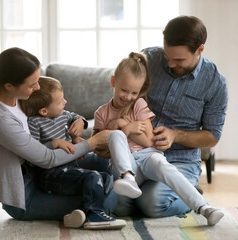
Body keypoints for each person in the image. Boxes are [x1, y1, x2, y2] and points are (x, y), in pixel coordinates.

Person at [0, 47, 124, 229]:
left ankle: (85, 210)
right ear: (9, 86)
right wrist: (91, 143)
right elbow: (46, 159)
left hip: (43, 172)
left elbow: (56, 118)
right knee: (110, 198)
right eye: (32, 84)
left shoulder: (22, 98)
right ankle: (92, 212)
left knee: (105, 165)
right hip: (26, 194)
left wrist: (66, 133)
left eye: (37, 81)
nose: (37, 88)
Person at [113, 16, 228, 219]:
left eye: (179, 60)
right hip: (140, 154)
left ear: (200, 50)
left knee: (152, 204)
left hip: (180, 161)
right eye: (168, 57)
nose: (171, 63)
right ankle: (178, 192)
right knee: (118, 198)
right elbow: (124, 100)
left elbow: (212, 137)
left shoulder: (215, 83)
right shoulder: (148, 59)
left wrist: (175, 135)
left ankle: (189, 196)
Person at [94, 52, 224, 225]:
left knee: (162, 164)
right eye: (124, 90)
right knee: (121, 206)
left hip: (147, 155)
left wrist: (127, 127)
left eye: (134, 92)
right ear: (113, 82)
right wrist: (123, 129)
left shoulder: (139, 105)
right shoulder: (101, 113)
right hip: (124, 165)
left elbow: (148, 142)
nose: (128, 97)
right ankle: (129, 178)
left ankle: (204, 208)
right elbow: (100, 148)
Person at [19, 76, 126, 229]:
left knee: (105, 178)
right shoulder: (34, 123)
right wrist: (54, 143)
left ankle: (81, 214)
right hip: (49, 175)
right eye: (60, 101)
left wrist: (80, 123)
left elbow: (77, 117)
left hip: (69, 168)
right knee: (93, 177)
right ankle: (95, 216)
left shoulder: (63, 115)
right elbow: (34, 153)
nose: (65, 102)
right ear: (44, 111)